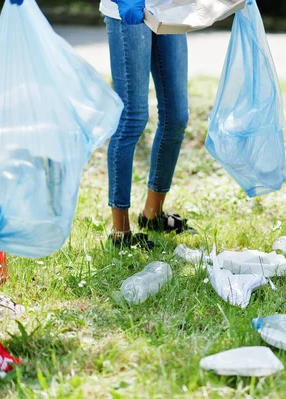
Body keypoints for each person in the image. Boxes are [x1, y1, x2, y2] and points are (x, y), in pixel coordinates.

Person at [99, 0, 192, 249]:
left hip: (168, 8)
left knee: (176, 117)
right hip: (128, 9)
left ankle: (153, 215)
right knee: (132, 118)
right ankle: (120, 232)